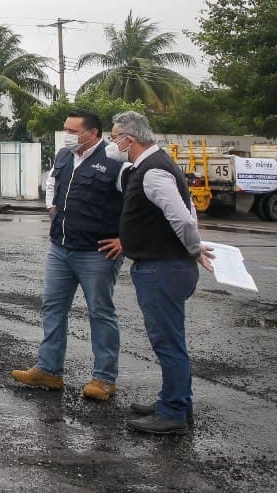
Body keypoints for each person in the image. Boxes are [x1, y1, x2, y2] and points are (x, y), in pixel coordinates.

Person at [101, 111, 214, 435]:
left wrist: (194, 249)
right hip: (163, 265)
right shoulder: (155, 164)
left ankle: (173, 413)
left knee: (168, 342)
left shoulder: (153, 172)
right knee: (170, 339)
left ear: (129, 139)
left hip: (162, 268)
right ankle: (176, 400)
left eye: (114, 137)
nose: (113, 143)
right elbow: (186, 209)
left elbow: (183, 218)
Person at [11, 110, 127, 401]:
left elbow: (138, 201)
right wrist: (52, 211)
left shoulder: (116, 162)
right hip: (60, 249)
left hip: (96, 252)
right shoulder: (64, 155)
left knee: (100, 313)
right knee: (52, 308)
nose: (68, 135)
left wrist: (127, 239)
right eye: (66, 130)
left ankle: (104, 379)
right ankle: (49, 370)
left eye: (73, 131)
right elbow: (52, 185)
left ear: (93, 134)